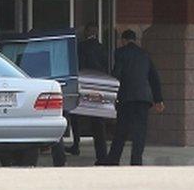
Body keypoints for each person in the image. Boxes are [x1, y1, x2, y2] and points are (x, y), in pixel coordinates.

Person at [100, 29, 163, 166]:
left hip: (127, 98)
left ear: (123, 40)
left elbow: (117, 73)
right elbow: (154, 78)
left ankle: (113, 159)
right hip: (143, 99)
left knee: (121, 130)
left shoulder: (120, 53)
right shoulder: (145, 54)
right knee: (140, 131)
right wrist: (158, 100)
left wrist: (110, 91)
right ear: (135, 40)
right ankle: (136, 160)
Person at [66, 23, 108, 162]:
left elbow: (78, 65)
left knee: (76, 114)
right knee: (98, 120)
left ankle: (76, 143)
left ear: (87, 31)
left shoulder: (82, 47)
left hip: (84, 83)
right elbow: (106, 67)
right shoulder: (102, 48)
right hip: (99, 85)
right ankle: (101, 153)